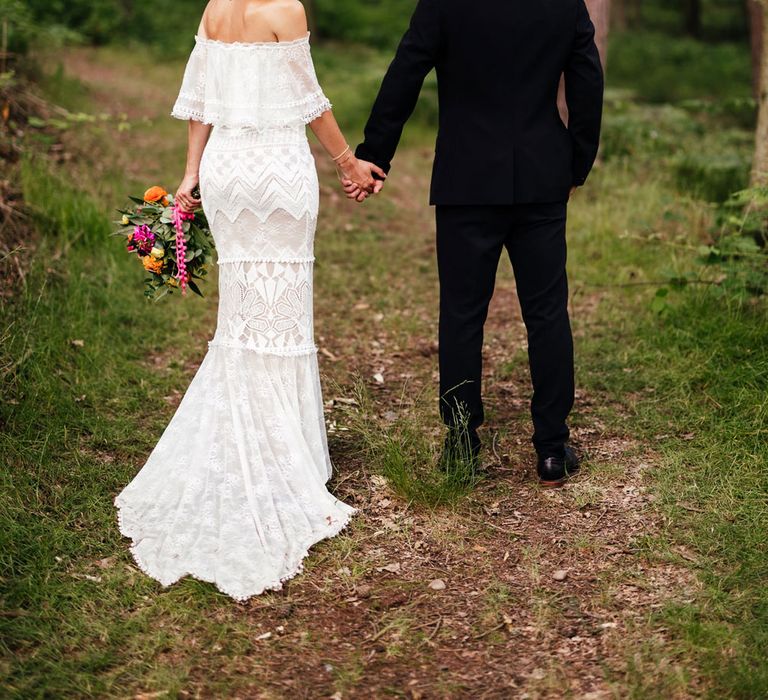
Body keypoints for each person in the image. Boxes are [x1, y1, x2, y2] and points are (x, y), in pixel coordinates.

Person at [114, 0, 383, 601]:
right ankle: (291, 456)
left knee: (240, 318)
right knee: (285, 316)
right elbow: (310, 100)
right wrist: (349, 164)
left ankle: (266, 436)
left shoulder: (215, 9)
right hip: (277, 170)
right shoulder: (285, 8)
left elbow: (200, 100)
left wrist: (191, 175)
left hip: (227, 172)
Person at [344, 0, 604, 486]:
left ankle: (461, 445)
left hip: (466, 178)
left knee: (462, 315)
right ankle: (551, 447)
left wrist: (375, 154)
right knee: (547, 312)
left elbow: (406, 71)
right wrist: (576, 163)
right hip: (541, 176)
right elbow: (588, 83)